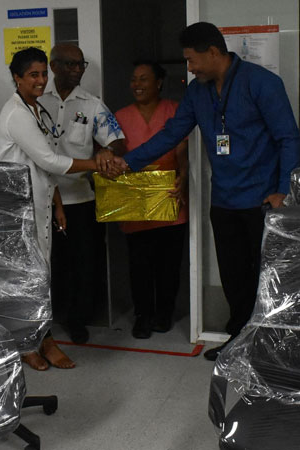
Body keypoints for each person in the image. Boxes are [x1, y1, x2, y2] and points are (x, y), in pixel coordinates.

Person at [109, 22, 300, 360]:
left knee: (267, 277)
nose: (189, 67)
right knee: (233, 277)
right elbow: (172, 134)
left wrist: (283, 190)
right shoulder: (198, 92)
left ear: (213, 52)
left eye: (191, 59)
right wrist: (128, 162)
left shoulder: (261, 83)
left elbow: (289, 138)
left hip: (262, 200)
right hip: (224, 201)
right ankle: (239, 341)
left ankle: (272, 348)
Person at [0, 47, 102, 371]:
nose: (41, 80)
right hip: (21, 211)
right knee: (29, 280)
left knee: (42, 277)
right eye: (33, 75)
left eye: (43, 74)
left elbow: (45, 168)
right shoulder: (16, 113)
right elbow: (50, 161)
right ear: (17, 77)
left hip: (41, 207)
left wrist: (57, 205)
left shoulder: (36, 109)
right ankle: (33, 343)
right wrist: (96, 164)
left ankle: (41, 339)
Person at [40, 43, 127, 345]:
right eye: (70, 64)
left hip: (79, 199)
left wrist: (106, 151)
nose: (77, 70)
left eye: (81, 65)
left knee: (83, 264)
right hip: (42, 199)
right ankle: (48, 319)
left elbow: (117, 140)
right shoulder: (36, 102)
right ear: (54, 66)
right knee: (49, 264)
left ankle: (78, 320)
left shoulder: (92, 105)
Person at [114, 60, 188, 339]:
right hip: (136, 197)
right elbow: (114, 150)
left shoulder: (175, 110)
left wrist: (184, 175)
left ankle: (164, 313)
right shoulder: (120, 116)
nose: (137, 85)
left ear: (158, 83)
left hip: (169, 193)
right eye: (134, 79)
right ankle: (143, 315)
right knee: (139, 263)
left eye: (144, 79)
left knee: (169, 263)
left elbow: (182, 149)